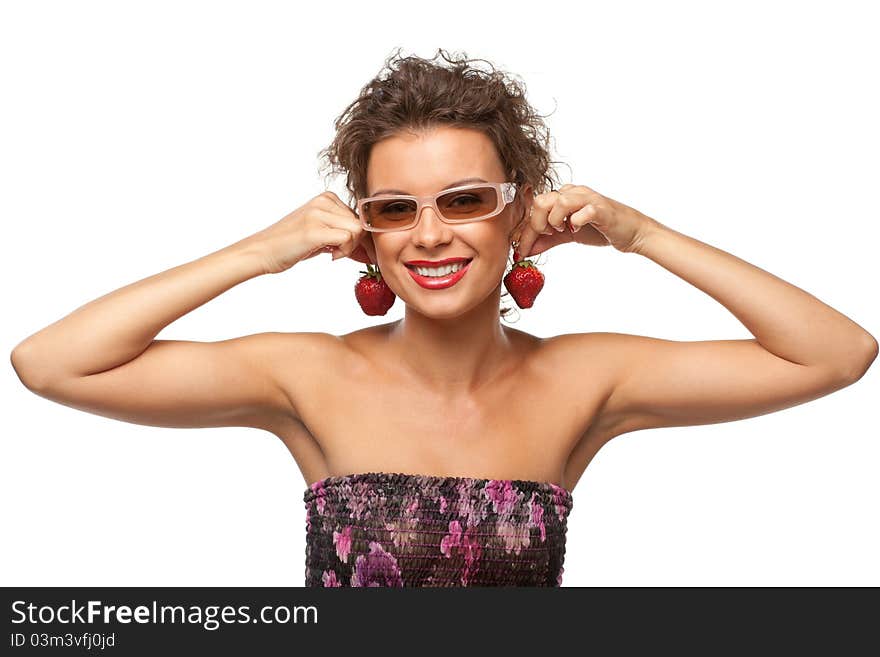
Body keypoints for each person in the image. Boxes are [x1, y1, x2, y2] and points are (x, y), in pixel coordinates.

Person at [9, 48, 878, 587]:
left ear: (519, 209)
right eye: (396, 208)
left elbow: (836, 354)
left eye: (463, 200)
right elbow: (51, 363)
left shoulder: (587, 378)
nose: (429, 235)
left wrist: (642, 234)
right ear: (368, 230)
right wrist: (259, 252)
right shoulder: (306, 372)